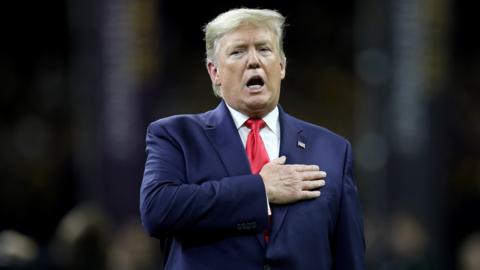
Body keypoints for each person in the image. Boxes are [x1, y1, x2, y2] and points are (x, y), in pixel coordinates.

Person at [140, 8, 365, 270]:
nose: (254, 61)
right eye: (238, 52)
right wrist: (260, 190)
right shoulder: (176, 136)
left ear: (281, 66)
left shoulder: (333, 150)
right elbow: (157, 210)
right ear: (215, 73)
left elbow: (349, 258)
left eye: (264, 49)